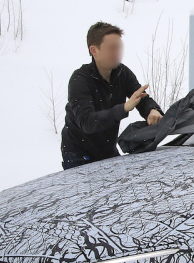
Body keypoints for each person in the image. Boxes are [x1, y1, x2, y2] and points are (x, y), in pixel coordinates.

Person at [61, 22, 164, 170]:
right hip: (78, 154)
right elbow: (87, 122)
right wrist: (123, 108)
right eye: (112, 48)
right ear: (94, 50)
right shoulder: (80, 80)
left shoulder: (122, 73)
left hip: (107, 149)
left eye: (119, 47)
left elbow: (141, 98)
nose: (117, 53)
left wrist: (152, 110)